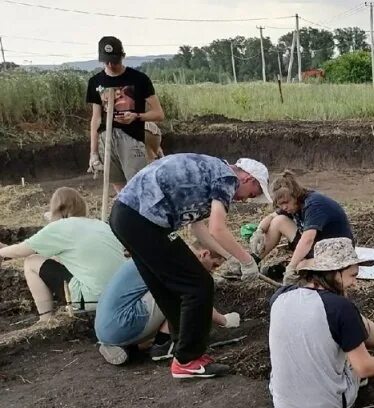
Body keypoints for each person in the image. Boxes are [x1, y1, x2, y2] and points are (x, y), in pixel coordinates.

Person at [109, 153, 273, 379]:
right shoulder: (227, 178)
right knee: (198, 283)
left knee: (168, 286)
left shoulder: (209, 173)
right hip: (142, 219)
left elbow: (199, 229)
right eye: (252, 195)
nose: (245, 200)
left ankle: (181, 349)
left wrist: (230, 256)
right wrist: (246, 260)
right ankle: (188, 359)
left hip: (127, 216)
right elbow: (218, 228)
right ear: (248, 179)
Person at [268, 238, 374, 408]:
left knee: (346, 323)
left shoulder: (280, 296)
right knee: (351, 351)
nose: (355, 283)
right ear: (335, 273)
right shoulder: (340, 307)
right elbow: (364, 367)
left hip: (282, 403)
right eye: (353, 276)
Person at [94, 244, 242, 366]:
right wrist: (224, 321)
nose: (213, 270)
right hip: (123, 321)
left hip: (106, 326)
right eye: (215, 265)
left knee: (171, 289)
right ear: (204, 254)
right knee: (182, 290)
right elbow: (193, 297)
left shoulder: (164, 251)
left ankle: (126, 345)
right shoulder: (178, 261)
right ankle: (162, 345)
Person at [0, 188, 124, 324]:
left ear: (57, 208)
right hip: (121, 296)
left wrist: (2, 251)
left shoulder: (60, 227)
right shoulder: (101, 225)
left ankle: (45, 319)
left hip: (94, 299)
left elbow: (21, 250)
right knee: (56, 259)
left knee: (31, 262)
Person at [87, 37, 164, 190]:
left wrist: (136, 116)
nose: (110, 65)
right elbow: (96, 119)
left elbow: (159, 114)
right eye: (106, 61)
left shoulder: (139, 79)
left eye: (114, 60)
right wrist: (93, 153)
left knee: (138, 189)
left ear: (122, 56)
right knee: (121, 193)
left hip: (133, 138)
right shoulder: (95, 82)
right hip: (106, 139)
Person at [250, 171, 354, 284]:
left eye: (286, 202)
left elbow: (307, 239)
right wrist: (259, 231)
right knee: (278, 221)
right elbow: (272, 217)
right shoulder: (293, 204)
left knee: (300, 266)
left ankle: (295, 269)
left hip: (337, 252)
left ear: (295, 195)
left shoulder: (314, 205)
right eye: (280, 204)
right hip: (319, 247)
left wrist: (292, 267)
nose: (284, 207)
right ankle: (252, 261)